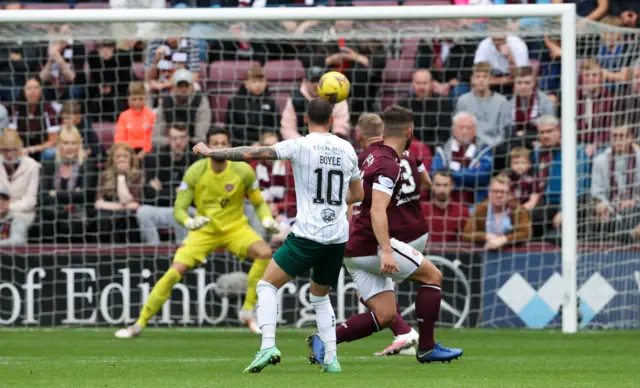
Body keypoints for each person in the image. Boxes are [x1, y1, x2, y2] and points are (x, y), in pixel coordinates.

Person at [192, 98, 364, 373]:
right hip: (337, 236)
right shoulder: (348, 149)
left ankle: (268, 345)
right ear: (332, 120)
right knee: (320, 297)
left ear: (305, 120)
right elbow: (358, 195)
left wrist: (215, 151)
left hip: (309, 233)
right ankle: (331, 359)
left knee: (266, 285)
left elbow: (253, 153)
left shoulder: (299, 144)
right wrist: (333, 202)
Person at [308, 105, 462, 366]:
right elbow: (378, 208)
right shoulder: (389, 164)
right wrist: (387, 250)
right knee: (433, 277)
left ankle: (324, 340)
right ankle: (426, 348)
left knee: (386, 314)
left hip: (353, 248)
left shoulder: (368, 155)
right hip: (372, 245)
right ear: (409, 131)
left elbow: (352, 196)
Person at [115, 128, 282, 339]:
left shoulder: (243, 171)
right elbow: (179, 208)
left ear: (229, 145)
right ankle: (139, 324)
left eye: (223, 143)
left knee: (265, 253)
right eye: (215, 143)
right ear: (208, 146)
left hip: (235, 228)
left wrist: (267, 219)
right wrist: (189, 221)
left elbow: (259, 203)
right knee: (174, 271)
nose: (220, 147)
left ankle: (248, 311)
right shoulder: (196, 170)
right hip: (204, 230)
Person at [331, 112, 431, 357]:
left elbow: (358, 203)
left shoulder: (366, 159)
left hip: (391, 233)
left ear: (359, 135)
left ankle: (410, 335)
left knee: (379, 283)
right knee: (373, 294)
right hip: (419, 229)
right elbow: (426, 181)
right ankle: (405, 332)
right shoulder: (411, 153)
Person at [137, 123, 197, 244]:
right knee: (142, 212)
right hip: (163, 210)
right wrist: (176, 192)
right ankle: (154, 253)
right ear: (169, 139)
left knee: (184, 211)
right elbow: (148, 194)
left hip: (187, 210)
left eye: (182, 138)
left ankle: (184, 255)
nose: (178, 142)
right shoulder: (156, 157)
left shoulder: (195, 160)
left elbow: (193, 197)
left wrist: (161, 190)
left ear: (187, 139)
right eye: (174, 138)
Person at [39, 125, 96, 243]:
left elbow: (85, 196)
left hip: (78, 214)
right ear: (59, 145)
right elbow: (42, 196)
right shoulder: (49, 163)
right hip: (52, 213)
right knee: (42, 224)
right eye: (65, 143)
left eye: (73, 143)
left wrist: (55, 193)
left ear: (79, 145)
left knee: (70, 226)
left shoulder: (87, 164)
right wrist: (72, 195)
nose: (69, 147)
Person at [462, 174, 532, 250]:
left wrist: (504, 239)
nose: (499, 195)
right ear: (489, 193)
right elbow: (467, 234)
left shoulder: (518, 209)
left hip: (511, 253)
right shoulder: (481, 208)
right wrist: (487, 236)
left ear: (510, 195)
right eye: (495, 191)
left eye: (503, 192)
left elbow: (526, 233)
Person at [94, 143, 145, 244]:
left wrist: (120, 176)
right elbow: (98, 203)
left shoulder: (139, 175)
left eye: (125, 156)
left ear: (131, 158)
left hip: (129, 215)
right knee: (101, 220)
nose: (121, 159)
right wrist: (123, 206)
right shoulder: (104, 176)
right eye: (118, 156)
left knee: (127, 220)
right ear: (112, 159)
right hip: (108, 213)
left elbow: (133, 203)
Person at [0, 129, 40, 232]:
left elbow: (31, 200)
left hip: (22, 213)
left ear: (19, 148)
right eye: (5, 150)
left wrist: (9, 207)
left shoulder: (32, 166)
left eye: (13, 150)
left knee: (14, 231)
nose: (9, 154)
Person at [421, 169, 470, 243]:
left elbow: (466, 239)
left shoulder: (462, 211)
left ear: (452, 186)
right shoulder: (422, 210)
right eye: (438, 185)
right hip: (426, 253)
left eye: (445, 185)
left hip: (453, 253)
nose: (441, 189)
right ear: (432, 186)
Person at [114, 81, 156, 160]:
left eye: (140, 99)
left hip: (147, 152)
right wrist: (128, 153)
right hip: (128, 151)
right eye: (134, 99)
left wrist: (145, 151)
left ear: (145, 98)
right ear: (128, 99)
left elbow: (152, 137)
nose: (137, 102)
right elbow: (119, 138)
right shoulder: (124, 116)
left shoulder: (151, 115)